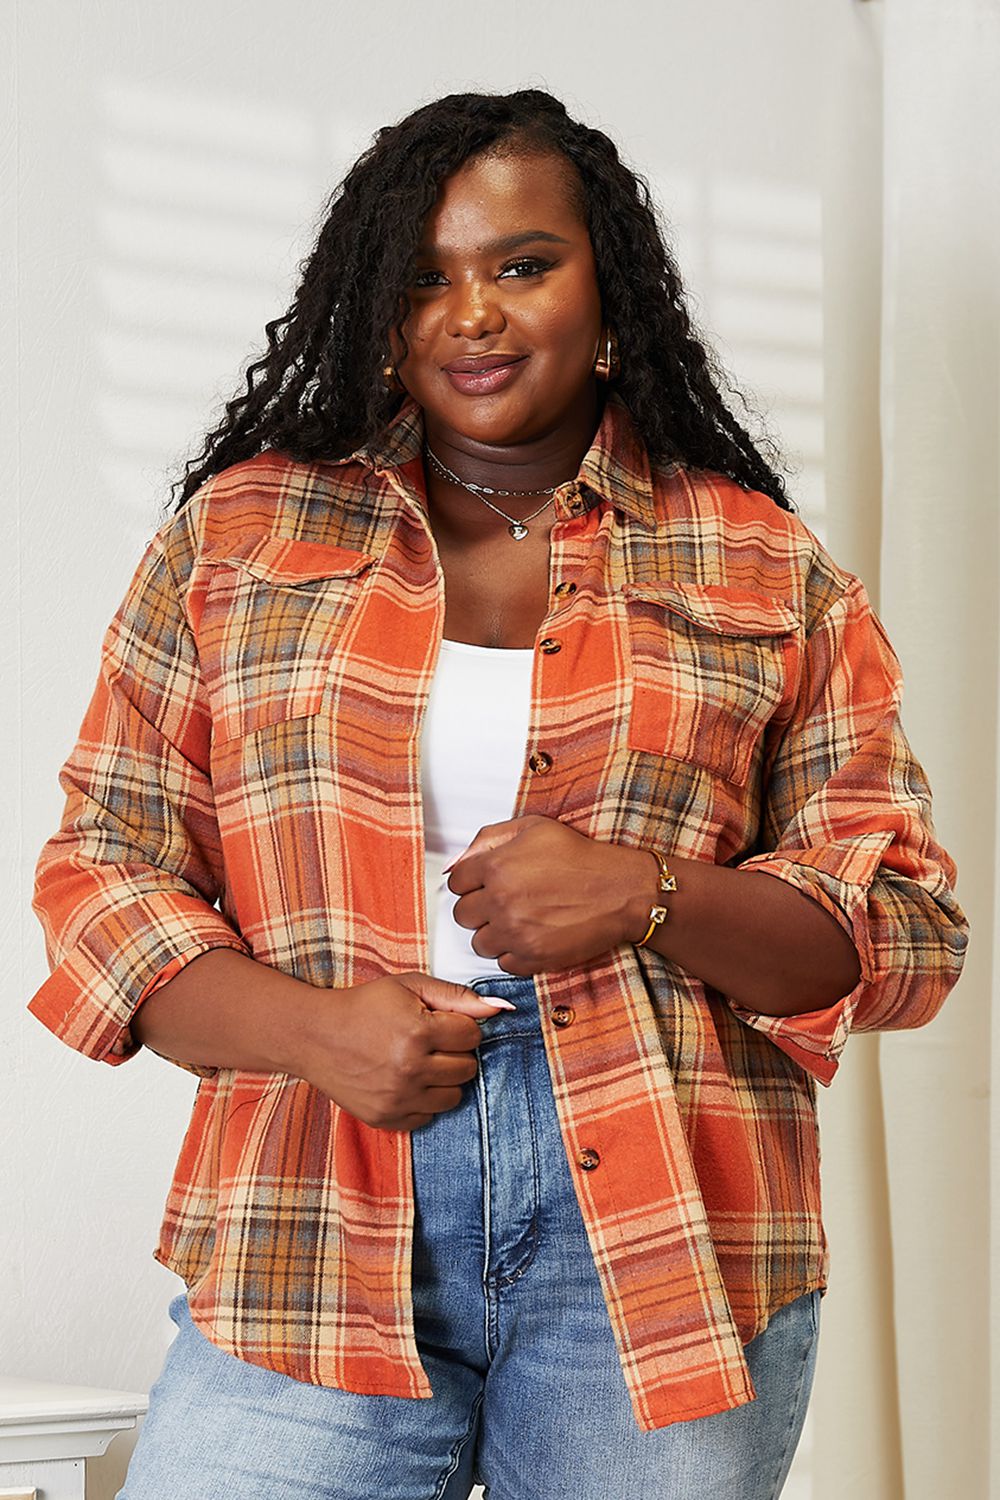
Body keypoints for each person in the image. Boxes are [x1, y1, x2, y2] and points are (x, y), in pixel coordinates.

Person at [28, 89, 968, 1500]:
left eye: (523, 264)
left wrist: (647, 895)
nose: (473, 314)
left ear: (610, 292)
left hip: (664, 1227)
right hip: (315, 1202)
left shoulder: (763, 566)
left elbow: (903, 934)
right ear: (376, 311)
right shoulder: (239, 539)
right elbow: (103, 870)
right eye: (425, 277)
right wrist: (313, 1031)